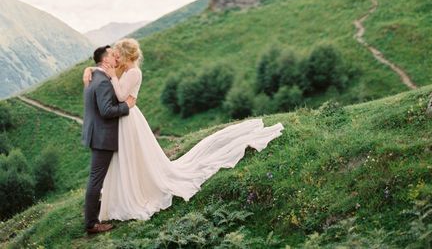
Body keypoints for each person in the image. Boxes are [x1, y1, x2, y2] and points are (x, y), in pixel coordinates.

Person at [83, 38, 284, 222]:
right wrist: (92, 69)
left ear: (126, 56)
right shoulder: (121, 70)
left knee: (135, 157)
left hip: (128, 117)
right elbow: (106, 74)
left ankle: (137, 191)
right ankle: (126, 191)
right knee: (129, 158)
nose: (115, 58)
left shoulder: (133, 72)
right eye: (113, 55)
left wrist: (112, 77)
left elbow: (119, 97)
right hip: (124, 117)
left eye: (118, 54)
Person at [82, 45, 135, 234]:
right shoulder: (103, 82)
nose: (116, 57)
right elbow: (106, 111)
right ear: (105, 61)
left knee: (98, 178)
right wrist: (126, 106)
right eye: (113, 55)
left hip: (94, 133)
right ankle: (91, 224)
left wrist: (88, 68)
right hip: (102, 136)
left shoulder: (94, 76)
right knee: (96, 179)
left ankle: (102, 211)